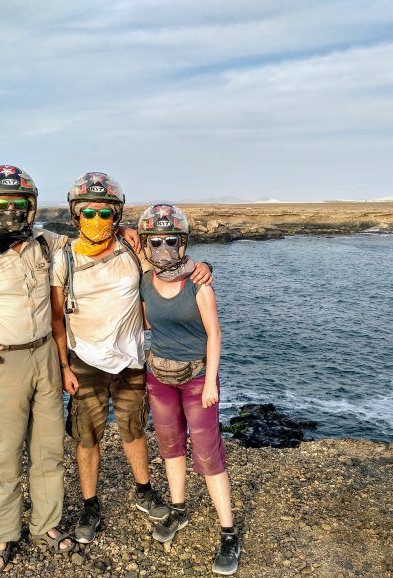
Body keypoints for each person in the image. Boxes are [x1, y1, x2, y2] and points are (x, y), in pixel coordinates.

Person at [0, 166, 103, 572]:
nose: (11, 211)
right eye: (1, 204)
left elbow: (90, 246)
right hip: (1, 363)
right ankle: (2, 534)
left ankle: (46, 523)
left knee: (48, 450)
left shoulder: (47, 244)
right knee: (2, 454)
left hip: (45, 355)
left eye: (19, 204)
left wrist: (130, 234)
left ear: (31, 207)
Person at [49, 172, 212, 544]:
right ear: (76, 215)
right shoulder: (65, 260)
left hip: (131, 360)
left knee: (134, 429)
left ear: (117, 216)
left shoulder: (131, 250)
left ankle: (144, 491)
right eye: (88, 213)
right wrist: (62, 367)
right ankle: (90, 505)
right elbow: (57, 319)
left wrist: (202, 267)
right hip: (85, 361)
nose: (96, 221)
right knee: (87, 438)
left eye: (105, 214)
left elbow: (168, 265)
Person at [137, 204, 240, 575]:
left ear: (182, 243)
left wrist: (211, 381)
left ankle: (229, 531)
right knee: (170, 447)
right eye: (156, 241)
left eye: (171, 240)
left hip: (197, 379)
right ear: (146, 244)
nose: (163, 248)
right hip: (159, 376)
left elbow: (214, 333)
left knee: (209, 453)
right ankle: (178, 510)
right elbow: (149, 322)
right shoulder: (145, 281)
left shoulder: (199, 283)